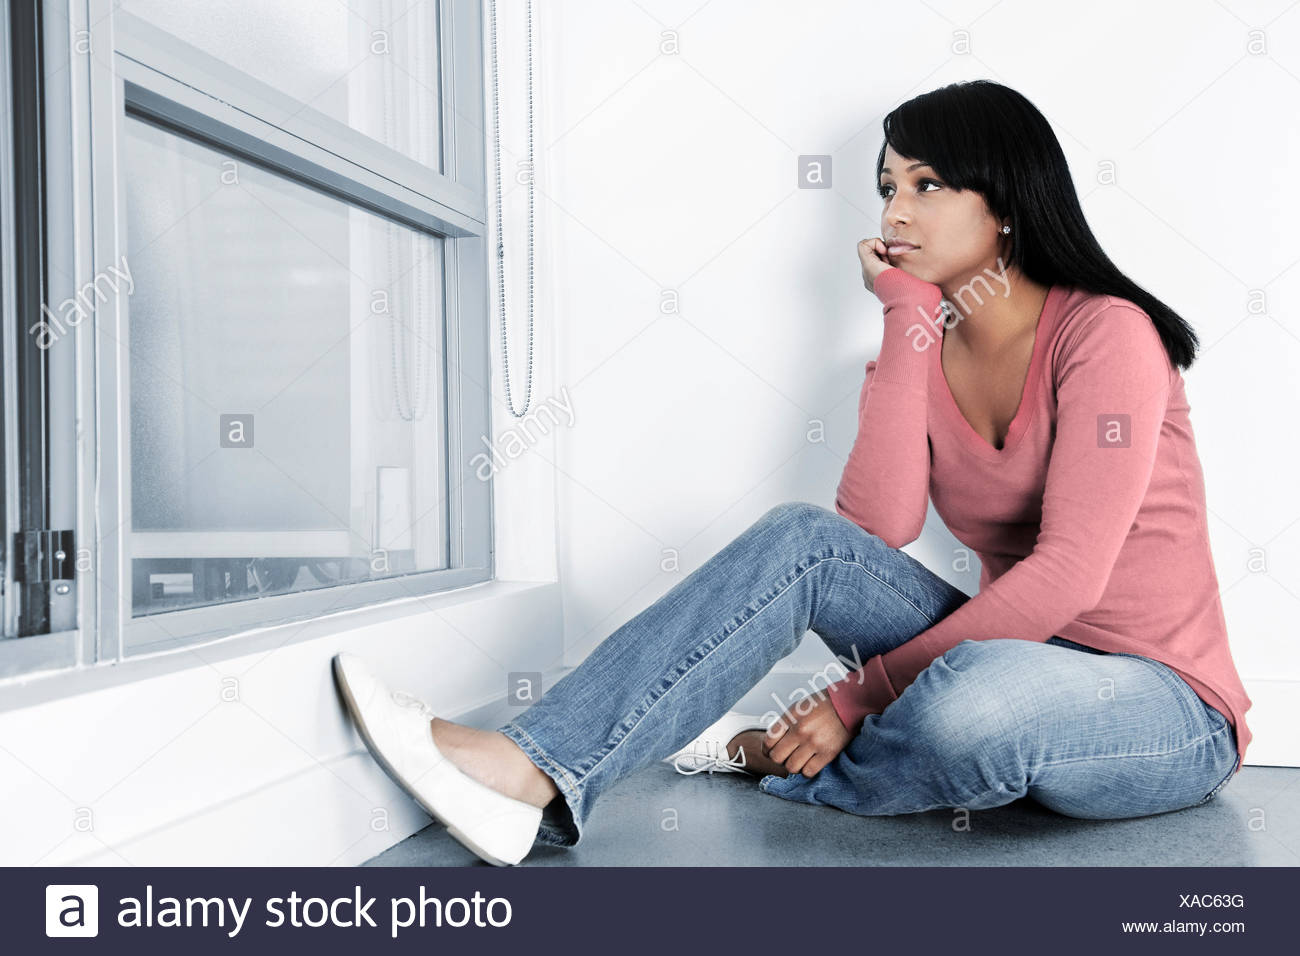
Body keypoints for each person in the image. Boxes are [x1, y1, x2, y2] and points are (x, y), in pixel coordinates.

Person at [333, 79, 1250, 867]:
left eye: (928, 185)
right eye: (887, 186)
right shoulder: (921, 342)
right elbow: (871, 528)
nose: (894, 212)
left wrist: (854, 696)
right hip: (1011, 656)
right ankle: (535, 768)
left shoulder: (1108, 333)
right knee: (801, 543)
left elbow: (1067, 575)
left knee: (971, 711)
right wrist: (908, 324)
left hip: (1163, 701)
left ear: (1006, 200)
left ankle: (782, 753)